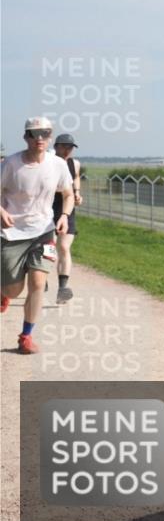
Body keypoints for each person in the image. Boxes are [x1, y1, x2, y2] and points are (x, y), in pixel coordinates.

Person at [1, 117, 74, 354]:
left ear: (50, 136)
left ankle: (26, 336)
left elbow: (68, 193)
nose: (40, 138)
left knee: (38, 282)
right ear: (26, 137)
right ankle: (4, 292)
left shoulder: (58, 164)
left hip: (43, 231)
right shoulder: (11, 164)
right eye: (34, 133)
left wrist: (63, 215)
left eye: (45, 133)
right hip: (12, 233)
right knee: (13, 289)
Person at [52, 133, 82, 304]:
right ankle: (42, 280)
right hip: (47, 209)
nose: (67, 150)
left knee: (63, 247)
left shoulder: (74, 163)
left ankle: (63, 288)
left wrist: (77, 193)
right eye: (63, 146)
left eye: (70, 147)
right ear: (56, 146)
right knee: (47, 249)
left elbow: (76, 178)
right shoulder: (48, 162)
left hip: (67, 209)